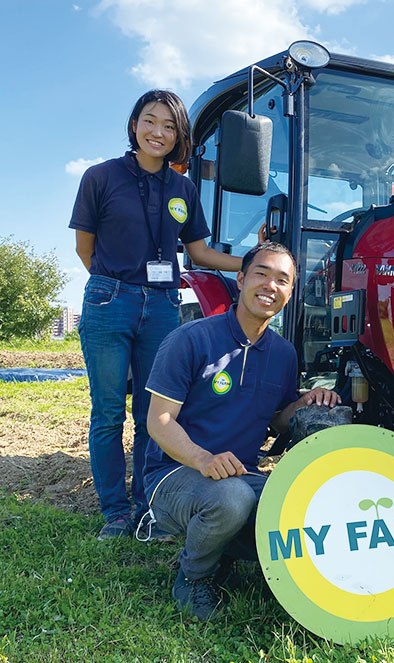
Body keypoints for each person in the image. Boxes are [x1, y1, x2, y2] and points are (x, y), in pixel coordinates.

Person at [69, 90, 245, 541]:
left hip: (164, 306)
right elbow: (84, 249)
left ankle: (148, 503)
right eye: (151, 121)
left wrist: (249, 263)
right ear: (134, 125)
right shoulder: (100, 177)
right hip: (111, 300)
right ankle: (116, 511)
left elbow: (200, 252)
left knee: (154, 412)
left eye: (170, 126)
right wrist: (118, 286)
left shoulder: (183, 187)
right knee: (108, 412)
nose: (159, 132)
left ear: (179, 136)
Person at [143, 242, 341, 621]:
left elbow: (278, 420)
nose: (270, 285)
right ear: (240, 279)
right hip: (173, 474)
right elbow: (159, 421)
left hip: (242, 474)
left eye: (282, 279)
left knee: (301, 509)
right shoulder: (191, 340)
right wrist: (203, 458)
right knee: (231, 500)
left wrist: (305, 403)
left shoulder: (283, 354)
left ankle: (224, 551)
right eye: (261, 274)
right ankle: (195, 577)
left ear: (290, 291)